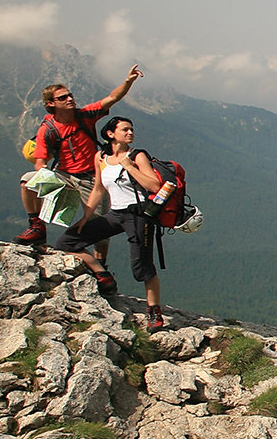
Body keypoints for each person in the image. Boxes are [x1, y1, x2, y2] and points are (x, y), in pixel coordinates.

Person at [58, 116, 168, 330]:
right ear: (110, 134)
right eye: (125, 129)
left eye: (131, 129)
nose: (130, 133)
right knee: (67, 241)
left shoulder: (137, 156)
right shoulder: (101, 157)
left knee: (142, 267)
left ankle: (154, 312)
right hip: (115, 214)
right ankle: (102, 273)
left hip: (138, 215)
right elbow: (98, 189)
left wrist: (130, 167)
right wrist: (86, 217)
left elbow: (154, 186)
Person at [14, 66, 144, 246]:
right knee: (26, 181)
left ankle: (101, 265)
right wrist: (43, 172)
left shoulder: (85, 115)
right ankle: (37, 227)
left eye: (70, 95)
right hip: (64, 175)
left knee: (98, 227)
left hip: (92, 177)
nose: (69, 99)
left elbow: (113, 98)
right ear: (51, 104)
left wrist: (128, 81)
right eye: (62, 98)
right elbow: (39, 161)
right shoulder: (48, 129)